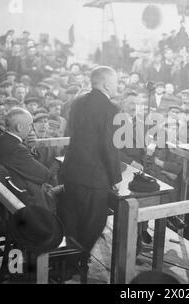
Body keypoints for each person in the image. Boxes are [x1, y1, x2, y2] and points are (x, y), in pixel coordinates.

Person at [60, 66, 122, 257]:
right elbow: (109, 147)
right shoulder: (111, 109)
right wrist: (115, 178)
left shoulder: (78, 102)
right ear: (106, 84)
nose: (118, 86)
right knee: (94, 222)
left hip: (72, 171)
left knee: (72, 218)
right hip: (94, 177)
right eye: (116, 82)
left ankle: (65, 261)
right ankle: (76, 261)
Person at [0, 108, 55, 209]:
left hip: (12, 191)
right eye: (30, 125)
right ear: (19, 127)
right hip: (26, 197)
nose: (32, 129)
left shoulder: (2, 139)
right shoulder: (17, 149)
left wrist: (29, 147)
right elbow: (44, 175)